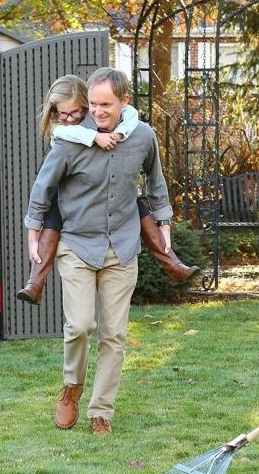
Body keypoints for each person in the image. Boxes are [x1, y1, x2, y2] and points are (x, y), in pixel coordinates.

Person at [24, 67, 175, 434]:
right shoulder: (71, 140)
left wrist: (164, 225)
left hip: (122, 248)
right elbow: (43, 187)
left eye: (106, 104)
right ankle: (71, 388)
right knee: (79, 326)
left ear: (125, 101)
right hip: (76, 245)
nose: (98, 111)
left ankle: (101, 412)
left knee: (114, 335)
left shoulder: (142, 137)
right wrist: (33, 232)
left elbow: (155, 182)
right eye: (93, 104)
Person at [16, 74, 198, 304]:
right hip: (65, 199)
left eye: (76, 112)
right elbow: (64, 141)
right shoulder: (66, 132)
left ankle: (171, 263)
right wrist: (95, 137)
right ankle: (35, 281)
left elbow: (131, 119)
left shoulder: (135, 128)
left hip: (117, 207)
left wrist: (165, 222)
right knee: (53, 217)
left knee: (137, 205)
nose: (70, 118)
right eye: (64, 113)